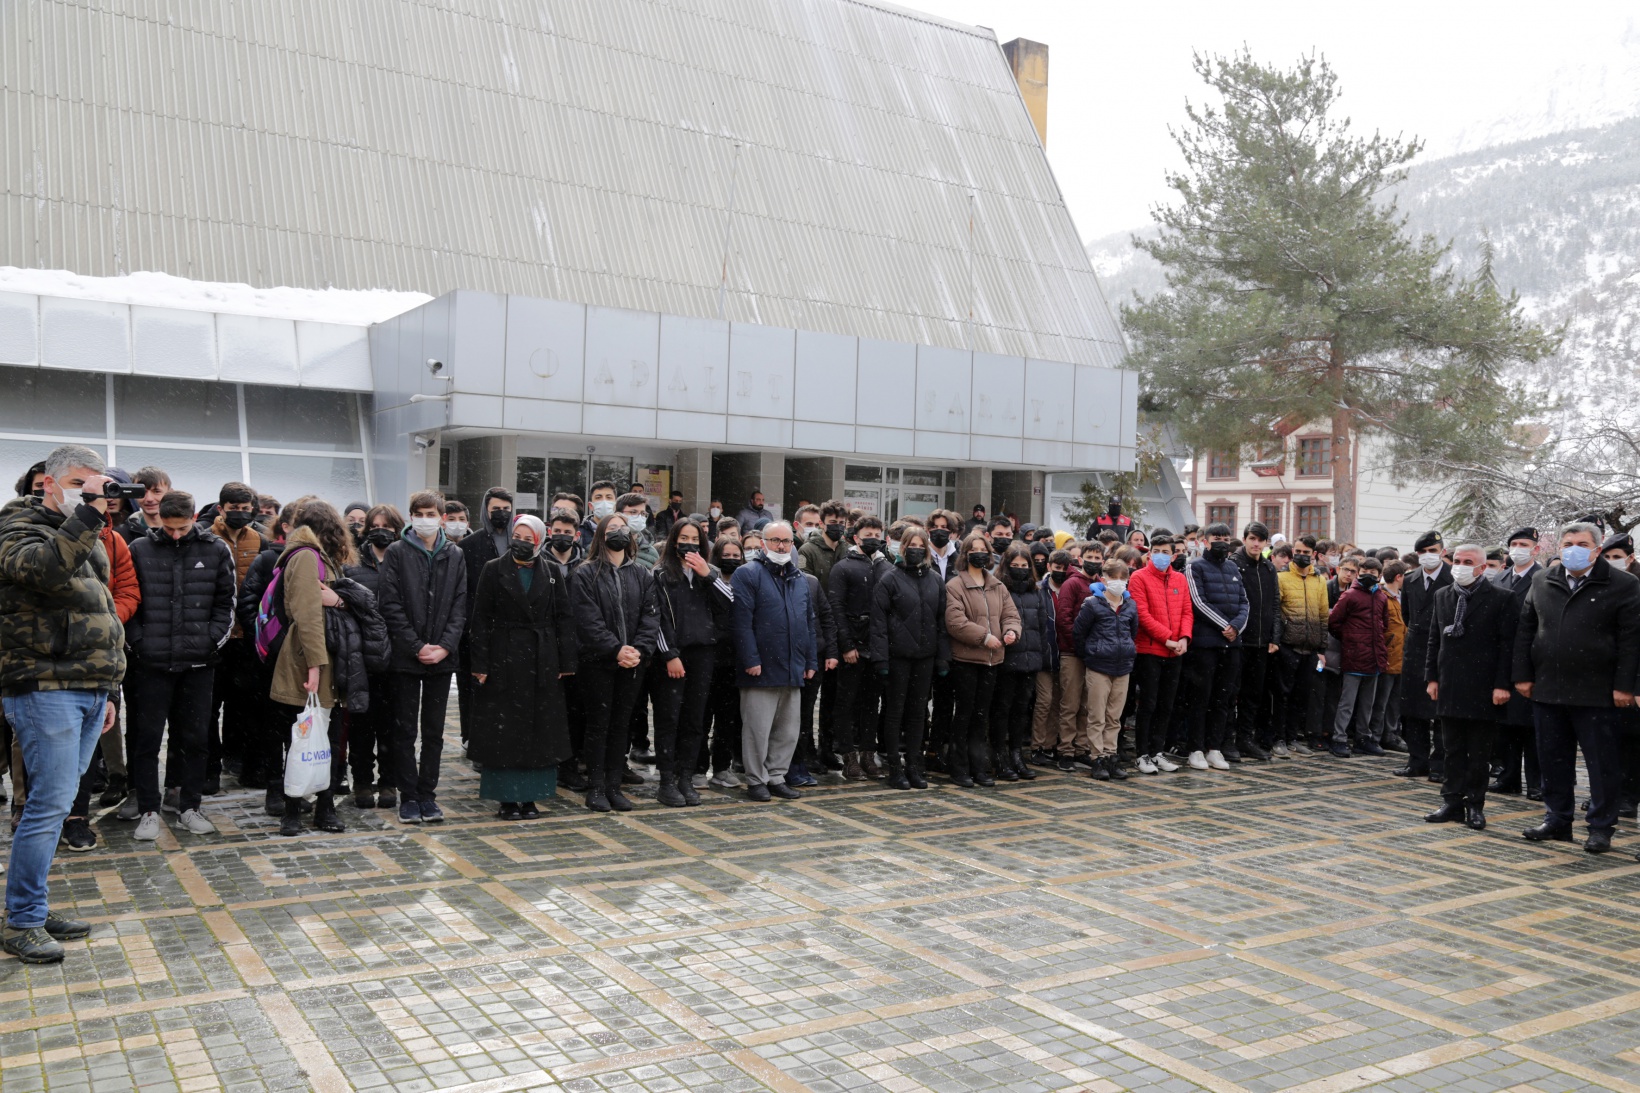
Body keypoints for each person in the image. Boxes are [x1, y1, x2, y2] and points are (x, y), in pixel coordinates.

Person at [0, 444, 122, 964]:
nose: (90, 494)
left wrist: (109, 689)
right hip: (44, 684)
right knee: (47, 805)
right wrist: (90, 514)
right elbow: (44, 571)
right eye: (78, 484)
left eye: (96, 485)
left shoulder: (86, 532)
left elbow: (104, 611)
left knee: (61, 801)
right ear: (47, 483)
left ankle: (30, 902)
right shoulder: (16, 526)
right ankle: (23, 920)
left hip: (88, 686)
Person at [1514, 522, 1640, 854]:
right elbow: (1526, 628)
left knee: (1602, 764)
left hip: (1598, 692)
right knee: (1552, 759)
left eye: (1582, 544)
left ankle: (1601, 827)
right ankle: (1557, 819)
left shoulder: (1623, 584)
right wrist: (1522, 675)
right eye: (1568, 543)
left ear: (1597, 549)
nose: (1574, 549)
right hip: (1548, 688)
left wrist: (1625, 686)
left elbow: (1631, 639)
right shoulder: (1543, 580)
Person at [125, 491, 236, 841]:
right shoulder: (139, 548)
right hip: (151, 662)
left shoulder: (216, 549)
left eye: (182, 528)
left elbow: (226, 603)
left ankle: (190, 806)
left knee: (195, 739)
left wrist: (209, 641)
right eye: (169, 528)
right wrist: (139, 643)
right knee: (146, 739)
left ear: (193, 518)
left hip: (198, 662)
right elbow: (128, 600)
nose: (175, 535)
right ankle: (148, 810)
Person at [467, 515, 576, 820]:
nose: (521, 543)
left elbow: (564, 617)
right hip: (503, 657)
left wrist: (566, 661)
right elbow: (480, 618)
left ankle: (531, 797)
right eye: (517, 536)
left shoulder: (551, 572)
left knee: (539, 729)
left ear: (539, 541)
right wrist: (480, 663)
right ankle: (505, 798)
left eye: (529, 539)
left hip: (542, 658)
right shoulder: (493, 569)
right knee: (504, 729)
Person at [266, 500, 357, 836]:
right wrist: (315, 667)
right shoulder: (307, 556)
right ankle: (294, 809)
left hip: (320, 657)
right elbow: (308, 617)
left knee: (324, 738)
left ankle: (323, 806)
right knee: (302, 738)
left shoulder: (316, 555)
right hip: (307, 660)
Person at [379, 491, 468, 824]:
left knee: (434, 732)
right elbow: (390, 604)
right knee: (405, 731)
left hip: (442, 659)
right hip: (406, 657)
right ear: (411, 516)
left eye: (431, 513)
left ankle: (428, 795)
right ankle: (408, 795)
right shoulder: (397, 552)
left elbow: (460, 605)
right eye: (419, 513)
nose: (425, 519)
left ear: (441, 517)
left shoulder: (454, 554)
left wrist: (445, 646)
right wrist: (416, 645)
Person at [1423, 544, 1517, 831]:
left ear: (1482, 567)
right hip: (1450, 682)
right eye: (1457, 561)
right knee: (1451, 748)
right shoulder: (1443, 595)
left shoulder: (1502, 598)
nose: (1460, 566)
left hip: (1483, 685)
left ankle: (1475, 804)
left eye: (1468, 562)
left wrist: (1502, 685)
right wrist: (1432, 678)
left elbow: (1507, 646)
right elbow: (1434, 639)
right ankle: (1451, 801)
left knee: (1478, 752)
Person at [571, 513, 659, 812]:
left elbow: (651, 616)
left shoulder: (642, 574)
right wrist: (615, 649)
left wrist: (638, 651)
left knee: (621, 725)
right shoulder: (585, 573)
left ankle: (613, 785)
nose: (619, 532)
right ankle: (596, 787)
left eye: (623, 528)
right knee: (598, 725)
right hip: (597, 663)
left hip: (632, 664)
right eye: (612, 528)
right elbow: (587, 620)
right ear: (601, 535)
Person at [728, 521, 817, 801]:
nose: (781, 546)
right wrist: (750, 659)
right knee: (757, 730)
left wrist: (810, 661)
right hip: (761, 667)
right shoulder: (747, 574)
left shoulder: (800, 578)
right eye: (775, 540)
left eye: (786, 541)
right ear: (763, 543)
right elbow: (741, 622)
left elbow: (808, 624)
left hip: (793, 666)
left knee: (787, 730)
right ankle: (756, 780)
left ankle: (777, 776)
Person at [649, 518, 733, 807]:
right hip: (672, 655)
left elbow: (729, 602)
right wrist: (669, 654)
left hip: (703, 654)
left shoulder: (710, 572)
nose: (689, 544)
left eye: (695, 539)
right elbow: (656, 617)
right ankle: (666, 780)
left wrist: (707, 575)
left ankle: (685, 777)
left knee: (694, 720)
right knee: (668, 719)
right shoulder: (660, 574)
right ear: (674, 541)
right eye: (684, 538)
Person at [205, 483, 271, 802]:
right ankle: (209, 769)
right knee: (209, 706)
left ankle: (244, 762)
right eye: (234, 508)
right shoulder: (206, 537)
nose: (240, 513)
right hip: (215, 637)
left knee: (246, 705)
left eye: (245, 508)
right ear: (221, 508)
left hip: (247, 635)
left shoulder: (260, 540)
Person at [870, 528, 949, 789]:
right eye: (911, 544)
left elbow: (942, 621)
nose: (916, 549)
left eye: (920, 545)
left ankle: (914, 765)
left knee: (918, 713)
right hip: (897, 657)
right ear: (903, 547)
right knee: (895, 712)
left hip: (925, 657)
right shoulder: (889, 579)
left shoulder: (935, 580)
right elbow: (878, 623)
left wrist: (943, 658)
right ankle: (895, 767)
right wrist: (881, 660)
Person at [944, 532, 1021, 786]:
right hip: (966, 660)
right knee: (964, 714)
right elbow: (955, 622)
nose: (979, 554)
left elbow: (1011, 615)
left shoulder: (998, 585)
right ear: (965, 554)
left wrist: (1011, 631)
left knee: (981, 716)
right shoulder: (955, 586)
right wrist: (984, 637)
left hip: (992, 661)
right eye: (973, 550)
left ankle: (979, 767)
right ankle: (959, 767)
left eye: (983, 550)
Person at [342, 504, 403, 810]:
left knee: (391, 726)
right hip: (361, 657)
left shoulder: (404, 560)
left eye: (387, 526)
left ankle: (389, 781)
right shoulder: (352, 562)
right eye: (375, 525)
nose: (381, 531)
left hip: (396, 656)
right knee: (361, 725)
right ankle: (363, 782)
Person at [1178, 523, 1249, 770]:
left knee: (1223, 698)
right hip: (1205, 644)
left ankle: (1214, 748)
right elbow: (1198, 601)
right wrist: (1224, 626)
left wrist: (1236, 627)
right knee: (1201, 697)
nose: (1222, 542)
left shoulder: (1233, 567)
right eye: (1217, 537)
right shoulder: (1194, 566)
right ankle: (1195, 748)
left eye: (1226, 538)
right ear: (1205, 541)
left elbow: (1244, 601)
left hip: (1232, 644)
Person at [826, 517, 888, 780]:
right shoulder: (843, 567)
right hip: (852, 647)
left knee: (871, 704)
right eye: (867, 534)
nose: (873, 538)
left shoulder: (886, 567)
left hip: (877, 647)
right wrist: (847, 645)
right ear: (856, 537)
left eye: (877, 534)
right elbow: (836, 608)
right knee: (846, 703)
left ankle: (868, 755)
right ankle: (848, 757)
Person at [1073, 559, 1138, 782]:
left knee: (1114, 717)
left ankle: (1111, 755)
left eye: (1123, 578)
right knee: (1096, 716)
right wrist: (1092, 653)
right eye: (1114, 577)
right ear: (1104, 579)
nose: (1118, 582)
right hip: (1099, 666)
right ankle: (1097, 757)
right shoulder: (1092, 604)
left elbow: (1132, 632)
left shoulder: (1130, 605)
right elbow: (1079, 633)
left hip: (1123, 666)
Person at [1129, 534, 1190, 773]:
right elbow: (1142, 614)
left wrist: (1184, 637)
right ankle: (1142, 754)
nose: (1160, 556)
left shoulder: (1180, 579)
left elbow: (1187, 611)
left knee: (1166, 705)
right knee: (1148, 704)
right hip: (1149, 650)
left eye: (1166, 552)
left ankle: (1157, 751)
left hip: (1175, 652)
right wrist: (1168, 638)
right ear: (1149, 554)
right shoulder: (1138, 577)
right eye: (1156, 551)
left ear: (1173, 556)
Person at [994, 545, 1052, 781]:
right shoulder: (999, 589)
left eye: (1024, 565)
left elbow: (1041, 627)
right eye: (1015, 565)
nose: (1020, 569)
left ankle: (1017, 754)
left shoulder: (1035, 591)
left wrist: (1041, 658)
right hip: (1006, 660)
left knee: (1020, 710)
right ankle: (999, 755)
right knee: (1002, 710)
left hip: (1030, 660)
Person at [1397, 532, 1451, 781]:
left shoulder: (1452, 577)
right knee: (1413, 709)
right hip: (1416, 650)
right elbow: (1407, 615)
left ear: (1442, 551)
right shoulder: (1410, 579)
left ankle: (1440, 764)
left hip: (1443, 649)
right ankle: (1417, 761)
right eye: (1422, 552)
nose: (1428, 556)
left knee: (1441, 711)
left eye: (1432, 550)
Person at [1493, 527, 1543, 799]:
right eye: (1514, 544)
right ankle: (1508, 777)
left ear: (1536, 549)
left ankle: (1536, 782)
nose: (1518, 549)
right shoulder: (1500, 577)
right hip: (1503, 658)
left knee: (1532, 726)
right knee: (1506, 724)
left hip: (1532, 659)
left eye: (1524, 544)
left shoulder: (1544, 578)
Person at [1327, 557, 1389, 758]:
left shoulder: (1381, 597)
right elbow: (1334, 622)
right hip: (1353, 656)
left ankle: (1363, 738)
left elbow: (1384, 624)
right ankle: (1339, 738)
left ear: (1379, 575)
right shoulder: (1350, 595)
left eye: (1373, 573)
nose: (1368, 576)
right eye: (1365, 572)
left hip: (1374, 657)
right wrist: (1350, 638)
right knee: (1347, 702)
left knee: (1367, 703)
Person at [1229, 522, 1277, 761]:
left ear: (1266, 543)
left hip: (1261, 642)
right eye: (1252, 539)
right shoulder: (1233, 564)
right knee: (1231, 693)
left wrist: (1274, 637)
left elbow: (1275, 604)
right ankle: (1226, 740)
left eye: (1260, 540)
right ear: (1245, 539)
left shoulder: (1268, 568)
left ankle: (1245, 739)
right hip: (1239, 640)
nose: (1256, 544)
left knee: (1253, 695)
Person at [701, 537, 746, 787]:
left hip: (734, 661)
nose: (731, 560)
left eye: (736, 556)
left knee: (727, 720)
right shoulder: (706, 581)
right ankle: (698, 767)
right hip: (708, 659)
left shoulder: (745, 582)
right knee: (702, 718)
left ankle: (721, 767)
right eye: (726, 555)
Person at [1052, 546, 1100, 771]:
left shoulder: (1101, 584)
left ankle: (1081, 748)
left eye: (1097, 557)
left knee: (1086, 705)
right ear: (1080, 559)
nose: (1093, 561)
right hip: (1072, 652)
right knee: (1070, 704)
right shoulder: (1071, 584)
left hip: (1094, 654)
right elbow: (1064, 619)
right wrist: (1080, 645)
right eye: (1089, 557)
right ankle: (1066, 750)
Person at [1369, 561, 1409, 753]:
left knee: (1394, 702)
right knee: (1381, 702)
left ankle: (1390, 735)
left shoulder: (1401, 597)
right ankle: (1376, 736)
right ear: (1399, 577)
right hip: (1387, 657)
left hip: (1400, 657)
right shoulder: (1382, 596)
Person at [117, 466, 170, 544]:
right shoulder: (121, 535)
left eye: (156, 491)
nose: (149, 499)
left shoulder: (182, 530)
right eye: (142, 492)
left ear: (170, 492)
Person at [618, 492, 660, 570]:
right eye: (633, 512)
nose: (639, 517)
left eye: (643, 513)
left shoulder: (651, 552)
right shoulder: (607, 545)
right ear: (618, 514)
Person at [582, 480, 619, 547]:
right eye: (598, 498)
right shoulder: (581, 530)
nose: (604, 501)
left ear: (615, 505)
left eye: (609, 497)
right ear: (591, 506)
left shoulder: (623, 530)